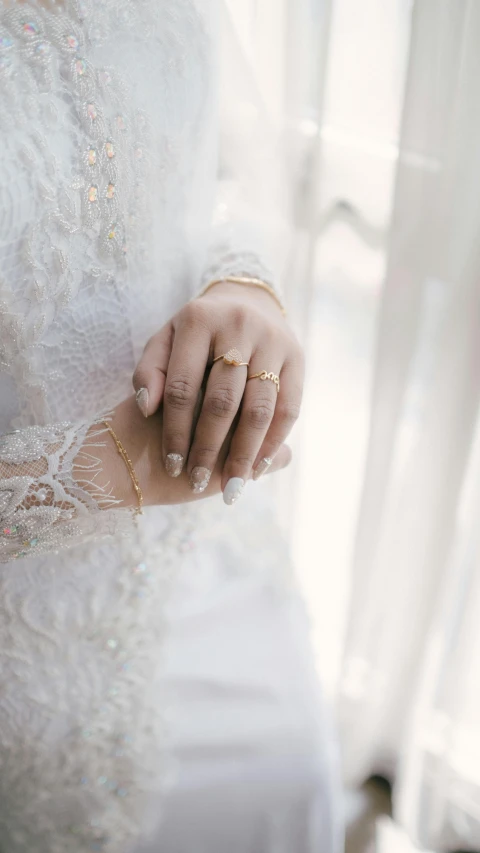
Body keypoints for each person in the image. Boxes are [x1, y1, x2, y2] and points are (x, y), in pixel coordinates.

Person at [0, 0, 342, 850]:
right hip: (27, 674)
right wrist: (93, 469)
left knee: (294, 773)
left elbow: (221, 166)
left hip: (215, 558)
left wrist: (241, 283)